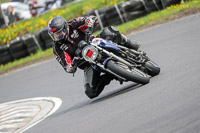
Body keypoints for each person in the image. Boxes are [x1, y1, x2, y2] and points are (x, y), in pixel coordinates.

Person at [48, 16, 141, 99]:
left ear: (64, 28)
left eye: (59, 33)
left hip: (94, 43)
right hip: (87, 63)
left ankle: (129, 43)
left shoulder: (73, 24)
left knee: (108, 31)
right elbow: (66, 65)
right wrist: (71, 66)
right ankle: (111, 75)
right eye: (55, 35)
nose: (57, 36)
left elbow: (91, 19)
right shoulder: (57, 48)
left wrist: (90, 22)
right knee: (90, 92)